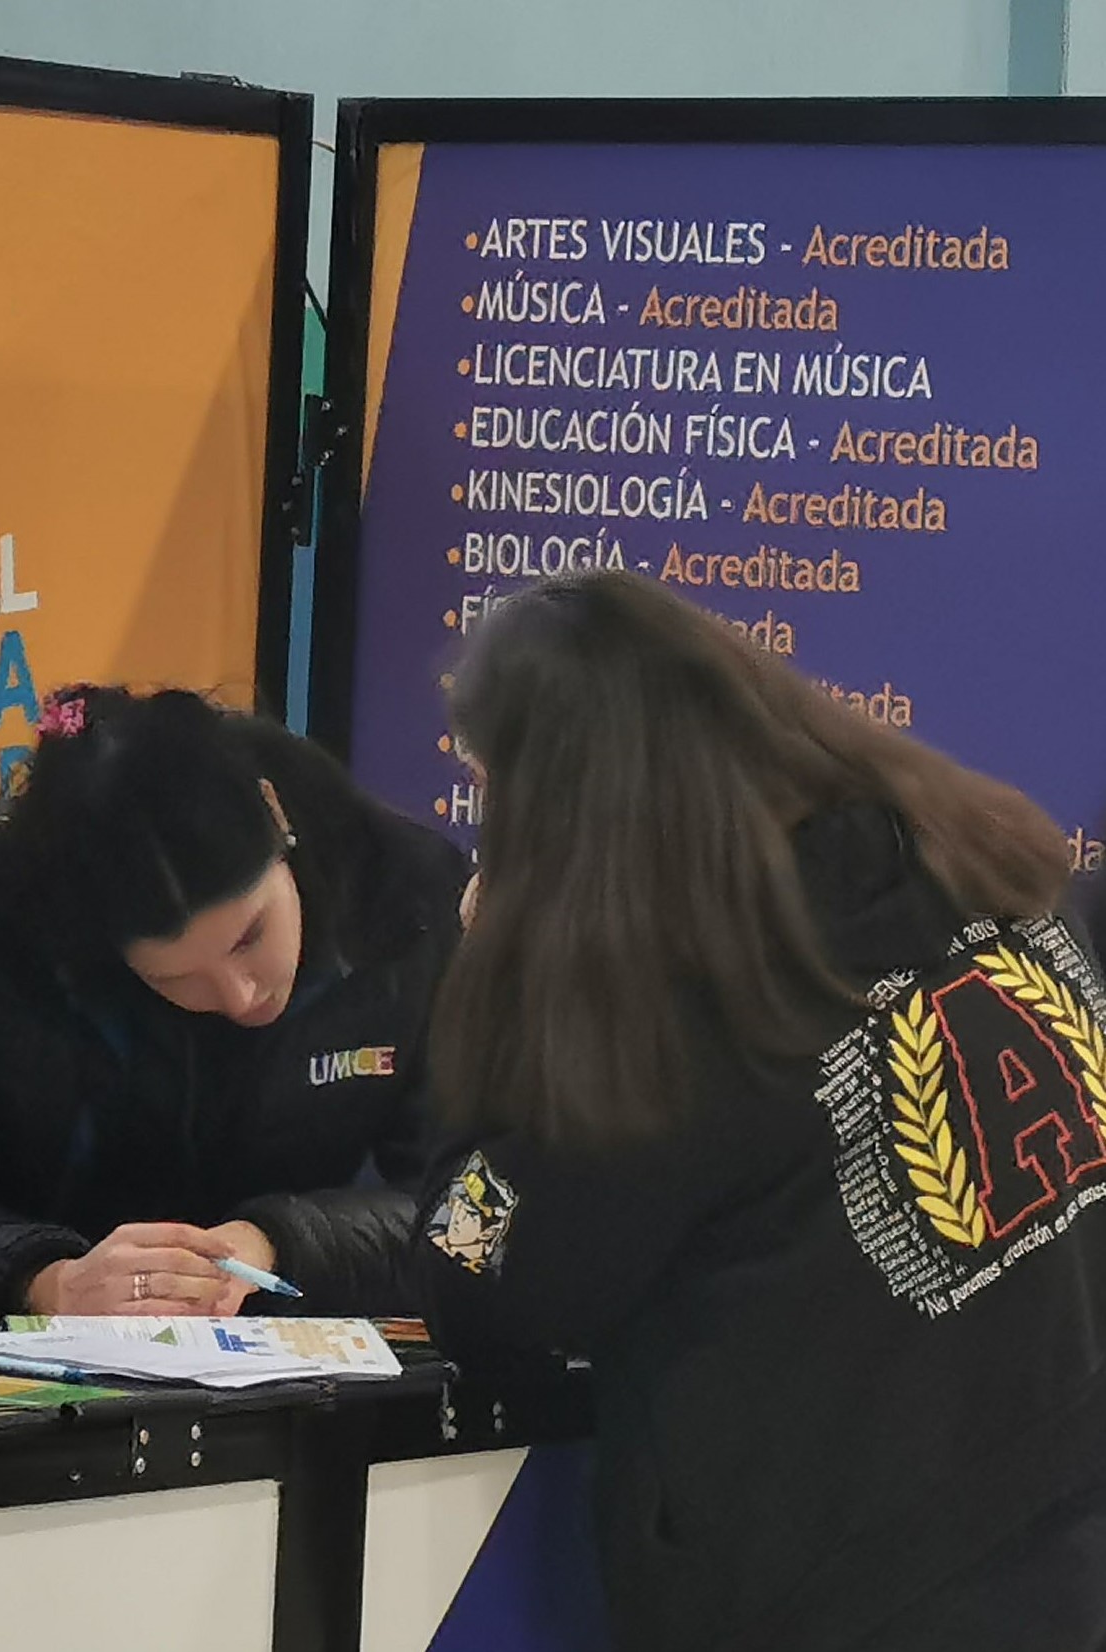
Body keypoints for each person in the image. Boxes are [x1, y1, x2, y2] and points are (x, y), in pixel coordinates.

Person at [416, 571, 1106, 1652]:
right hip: (1058, 1536)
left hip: (841, 1594)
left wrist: (490, 1002)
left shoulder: (697, 1025)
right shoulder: (998, 877)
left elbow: (477, 1264)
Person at [0, 685, 471, 1327]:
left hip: (293, 1346)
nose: (240, 995)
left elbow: (469, 1205)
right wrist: (45, 1280)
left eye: (250, 937)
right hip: (6, 1349)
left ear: (274, 815)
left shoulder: (406, 897)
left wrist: (276, 1243)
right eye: (176, 977)